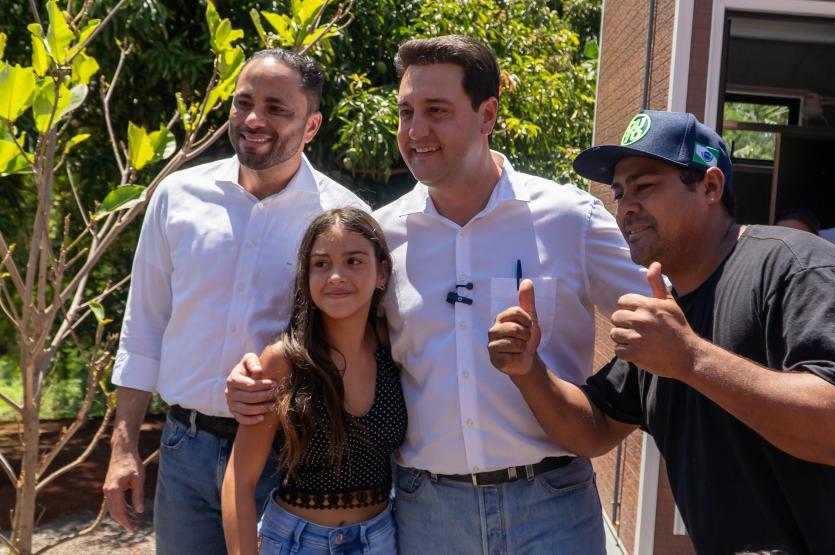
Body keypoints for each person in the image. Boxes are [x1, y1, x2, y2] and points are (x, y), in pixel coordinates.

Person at [226, 35, 647, 554]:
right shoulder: (380, 238)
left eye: (436, 111)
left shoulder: (570, 218)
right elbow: (327, 339)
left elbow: (662, 325)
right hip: (428, 517)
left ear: (487, 114)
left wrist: (605, 419)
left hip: (553, 506)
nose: (415, 131)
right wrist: (256, 374)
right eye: (405, 112)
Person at [488, 110, 835, 553]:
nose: (627, 206)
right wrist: (528, 370)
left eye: (645, 186)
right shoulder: (671, 315)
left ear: (711, 187)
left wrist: (691, 359)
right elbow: (593, 428)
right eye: (619, 193)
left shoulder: (799, 268)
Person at [102, 49, 368, 554]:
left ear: (311, 126)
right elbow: (144, 325)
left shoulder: (344, 218)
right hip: (184, 449)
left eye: (275, 108)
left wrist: (286, 382)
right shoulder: (177, 196)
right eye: (243, 102)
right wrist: (123, 447)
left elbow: (356, 346)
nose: (253, 119)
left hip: (291, 455)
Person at [222, 208, 405, 555]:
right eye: (321, 264)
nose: (336, 276)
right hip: (294, 542)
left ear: (382, 273)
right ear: (306, 275)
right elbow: (239, 481)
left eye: (353, 261)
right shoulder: (283, 361)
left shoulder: (392, 344)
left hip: (380, 540)